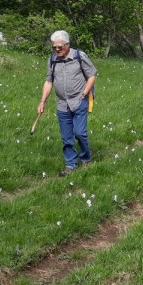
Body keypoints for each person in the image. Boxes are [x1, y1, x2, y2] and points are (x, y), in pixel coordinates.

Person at [37, 30, 97, 176]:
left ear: (67, 45)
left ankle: (86, 158)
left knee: (80, 132)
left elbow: (92, 75)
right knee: (66, 137)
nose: (57, 50)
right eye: (54, 47)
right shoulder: (52, 60)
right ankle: (70, 164)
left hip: (80, 100)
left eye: (60, 47)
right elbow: (48, 81)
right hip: (62, 104)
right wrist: (42, 101)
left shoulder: (79, 56)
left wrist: (84, 93)